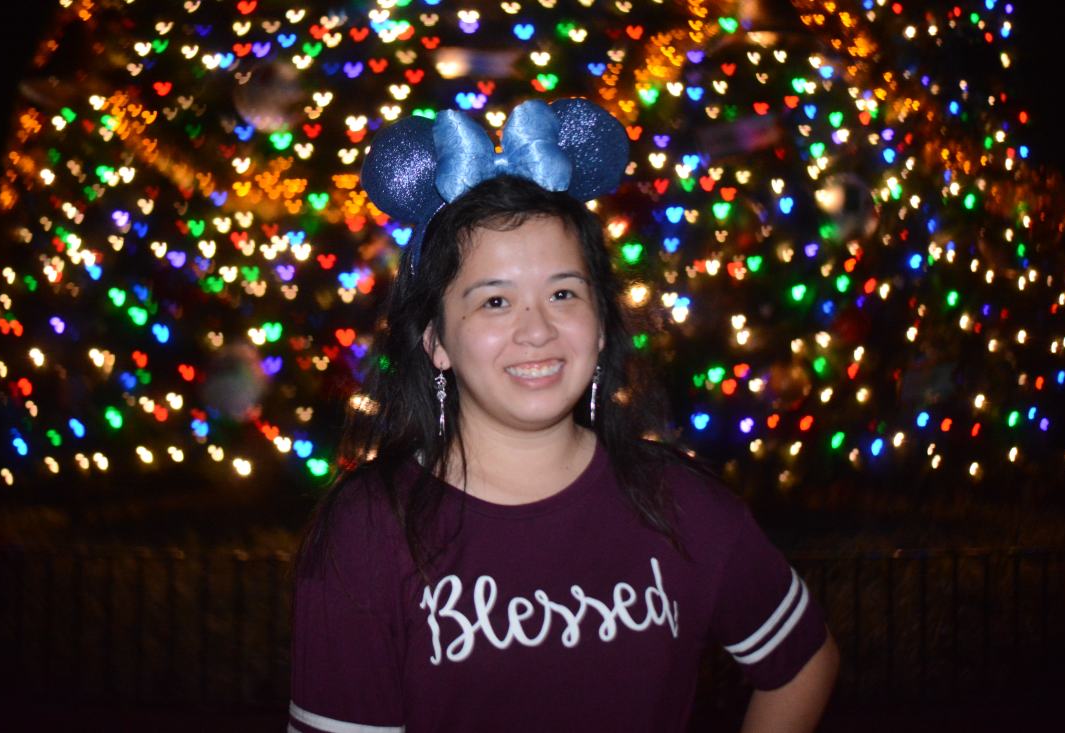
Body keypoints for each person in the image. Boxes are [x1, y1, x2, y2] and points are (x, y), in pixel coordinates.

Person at [289, 100, 839, 733]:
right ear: (435, 339)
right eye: (495, 300)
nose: (537, 330)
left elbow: (804, 663)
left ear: (601, 323)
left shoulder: (680, 504)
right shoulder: (367, 533)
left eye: (562, 293)